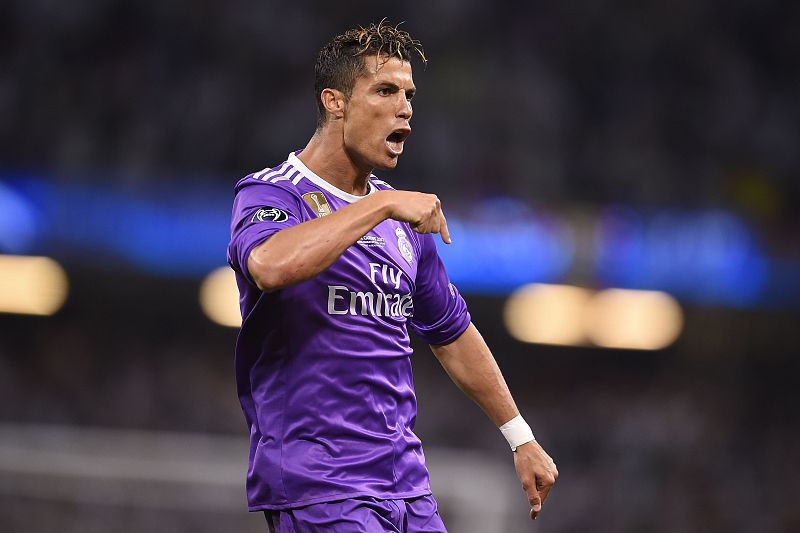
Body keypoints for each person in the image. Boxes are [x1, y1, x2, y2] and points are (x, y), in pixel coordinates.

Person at [227, 20, 558, 532]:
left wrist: (520, 436)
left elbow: (452, 332)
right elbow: (270, 266)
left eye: (409, 94)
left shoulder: (401, 221)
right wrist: (380, 205)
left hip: (406, 484)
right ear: (335, 102)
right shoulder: (274, 195)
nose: (404, 107)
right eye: (385, 90)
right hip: (320, 484)